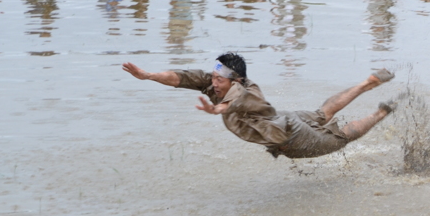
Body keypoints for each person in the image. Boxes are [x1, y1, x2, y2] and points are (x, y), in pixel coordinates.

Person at [122, 53, 400, 160]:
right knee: (322, 114)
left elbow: (233, 102)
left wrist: (217, 110)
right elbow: (179, 78)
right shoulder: (213, 81)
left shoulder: (245, 91)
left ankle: (381, 112)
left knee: (341, 138)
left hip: (291, 136)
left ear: (237, 79)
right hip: (284, 118)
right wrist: (148, 75)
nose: (214, 82)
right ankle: (366, 84)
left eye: (220, 79)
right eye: (214, 76)